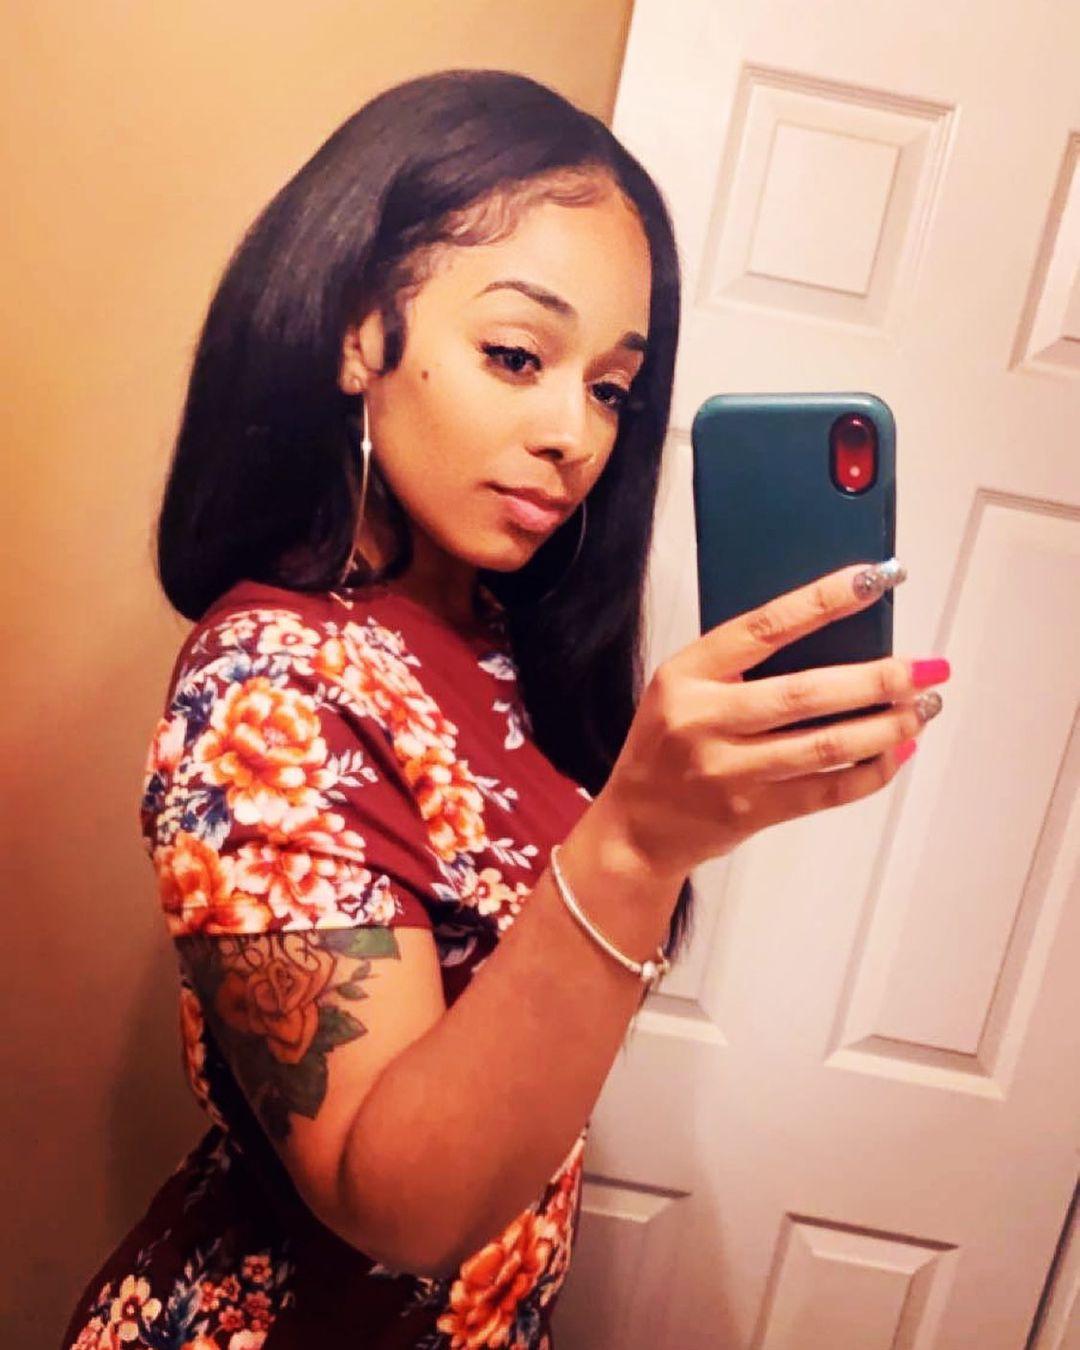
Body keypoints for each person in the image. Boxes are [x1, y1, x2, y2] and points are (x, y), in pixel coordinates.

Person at [60, 68, 950, 1350]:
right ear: (359, 333)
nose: (574, 435)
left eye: (610, 389)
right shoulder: (269, 674)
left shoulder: (500, 643)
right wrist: (637, 844)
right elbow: (397, 1209)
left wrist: (684, 819)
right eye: (518, 355)